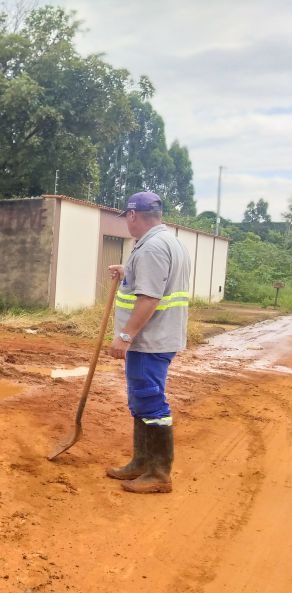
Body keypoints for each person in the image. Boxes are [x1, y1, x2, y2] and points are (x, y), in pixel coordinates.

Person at [106, 191, 191, 494]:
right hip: (158, 337)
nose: (127, 224)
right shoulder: (168, 241)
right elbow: (158, 281)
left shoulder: (152, 247)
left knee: (150, 400)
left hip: (150, 340)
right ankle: (142, 462)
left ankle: (158, 473)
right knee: (142, 399)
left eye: (126, 218)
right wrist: (127, 271)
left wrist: (125, 335)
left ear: (132, 215)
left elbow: (150, 298)